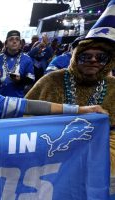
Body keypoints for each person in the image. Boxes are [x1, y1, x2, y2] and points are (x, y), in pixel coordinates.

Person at [25, 1, 115, 197]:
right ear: (74, 58)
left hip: (101, 170)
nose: (93, 60)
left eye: (100, 57)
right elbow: (24, 119)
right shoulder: (52, 80)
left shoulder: (114, 87)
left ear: (109, 62)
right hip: (50, 166)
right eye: (85, 56)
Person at [0, 30, 35, 97]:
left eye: (17, 39)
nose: (14, 41)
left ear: (20, 44)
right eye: (11, 39)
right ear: (6, 44)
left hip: (17, 98)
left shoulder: (27, 59)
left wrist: (20, 80)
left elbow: (31, 79)